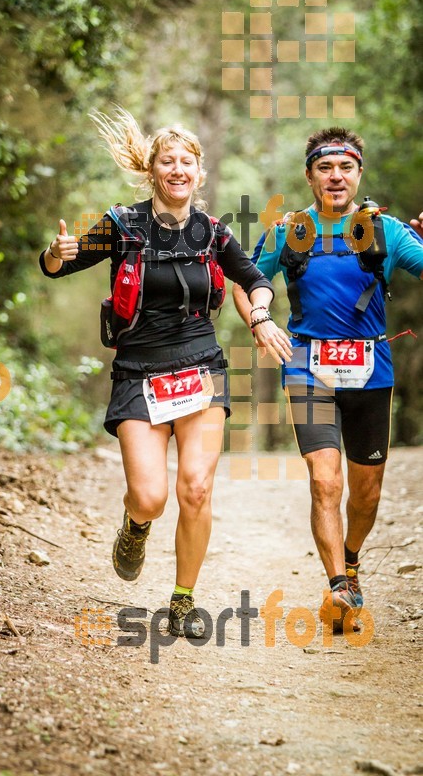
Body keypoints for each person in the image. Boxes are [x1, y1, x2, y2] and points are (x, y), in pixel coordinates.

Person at [40, 107, 292, 638]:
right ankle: (135, 524)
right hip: (138, 371)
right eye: (167, 161)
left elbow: (253, 278)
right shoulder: (123, 225)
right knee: (151, 497)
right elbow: (62, 262)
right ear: (152, 170)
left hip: (200, 368)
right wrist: (55, 253)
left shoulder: (213, 232)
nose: (178, 169)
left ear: (198, 174)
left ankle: (182, 598)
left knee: (195, 489)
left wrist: (263, 316)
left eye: (187, 162)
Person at [233, 127, 423, 632]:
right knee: (325, 481)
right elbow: (247, 280)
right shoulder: (289, 231)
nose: (335, 177)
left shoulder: (386, 231)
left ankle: (352, 560)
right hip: (308, 370)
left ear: (359, 173)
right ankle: (338, 586)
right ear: (311, 175)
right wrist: (260, 318)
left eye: (345, 168)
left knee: (367, 494)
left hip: (371, 372)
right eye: (325, 168)